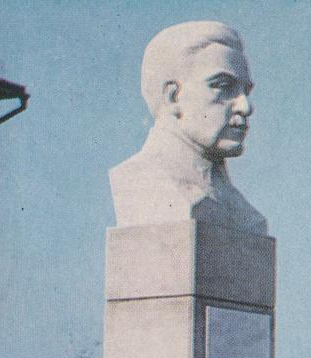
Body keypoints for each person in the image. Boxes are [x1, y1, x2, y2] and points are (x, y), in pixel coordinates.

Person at [109, 21, 267, 234]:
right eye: (223, 87)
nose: (246, 107)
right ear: (173, 96)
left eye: (245, 91)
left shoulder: (245, 216)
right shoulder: (142, 182)